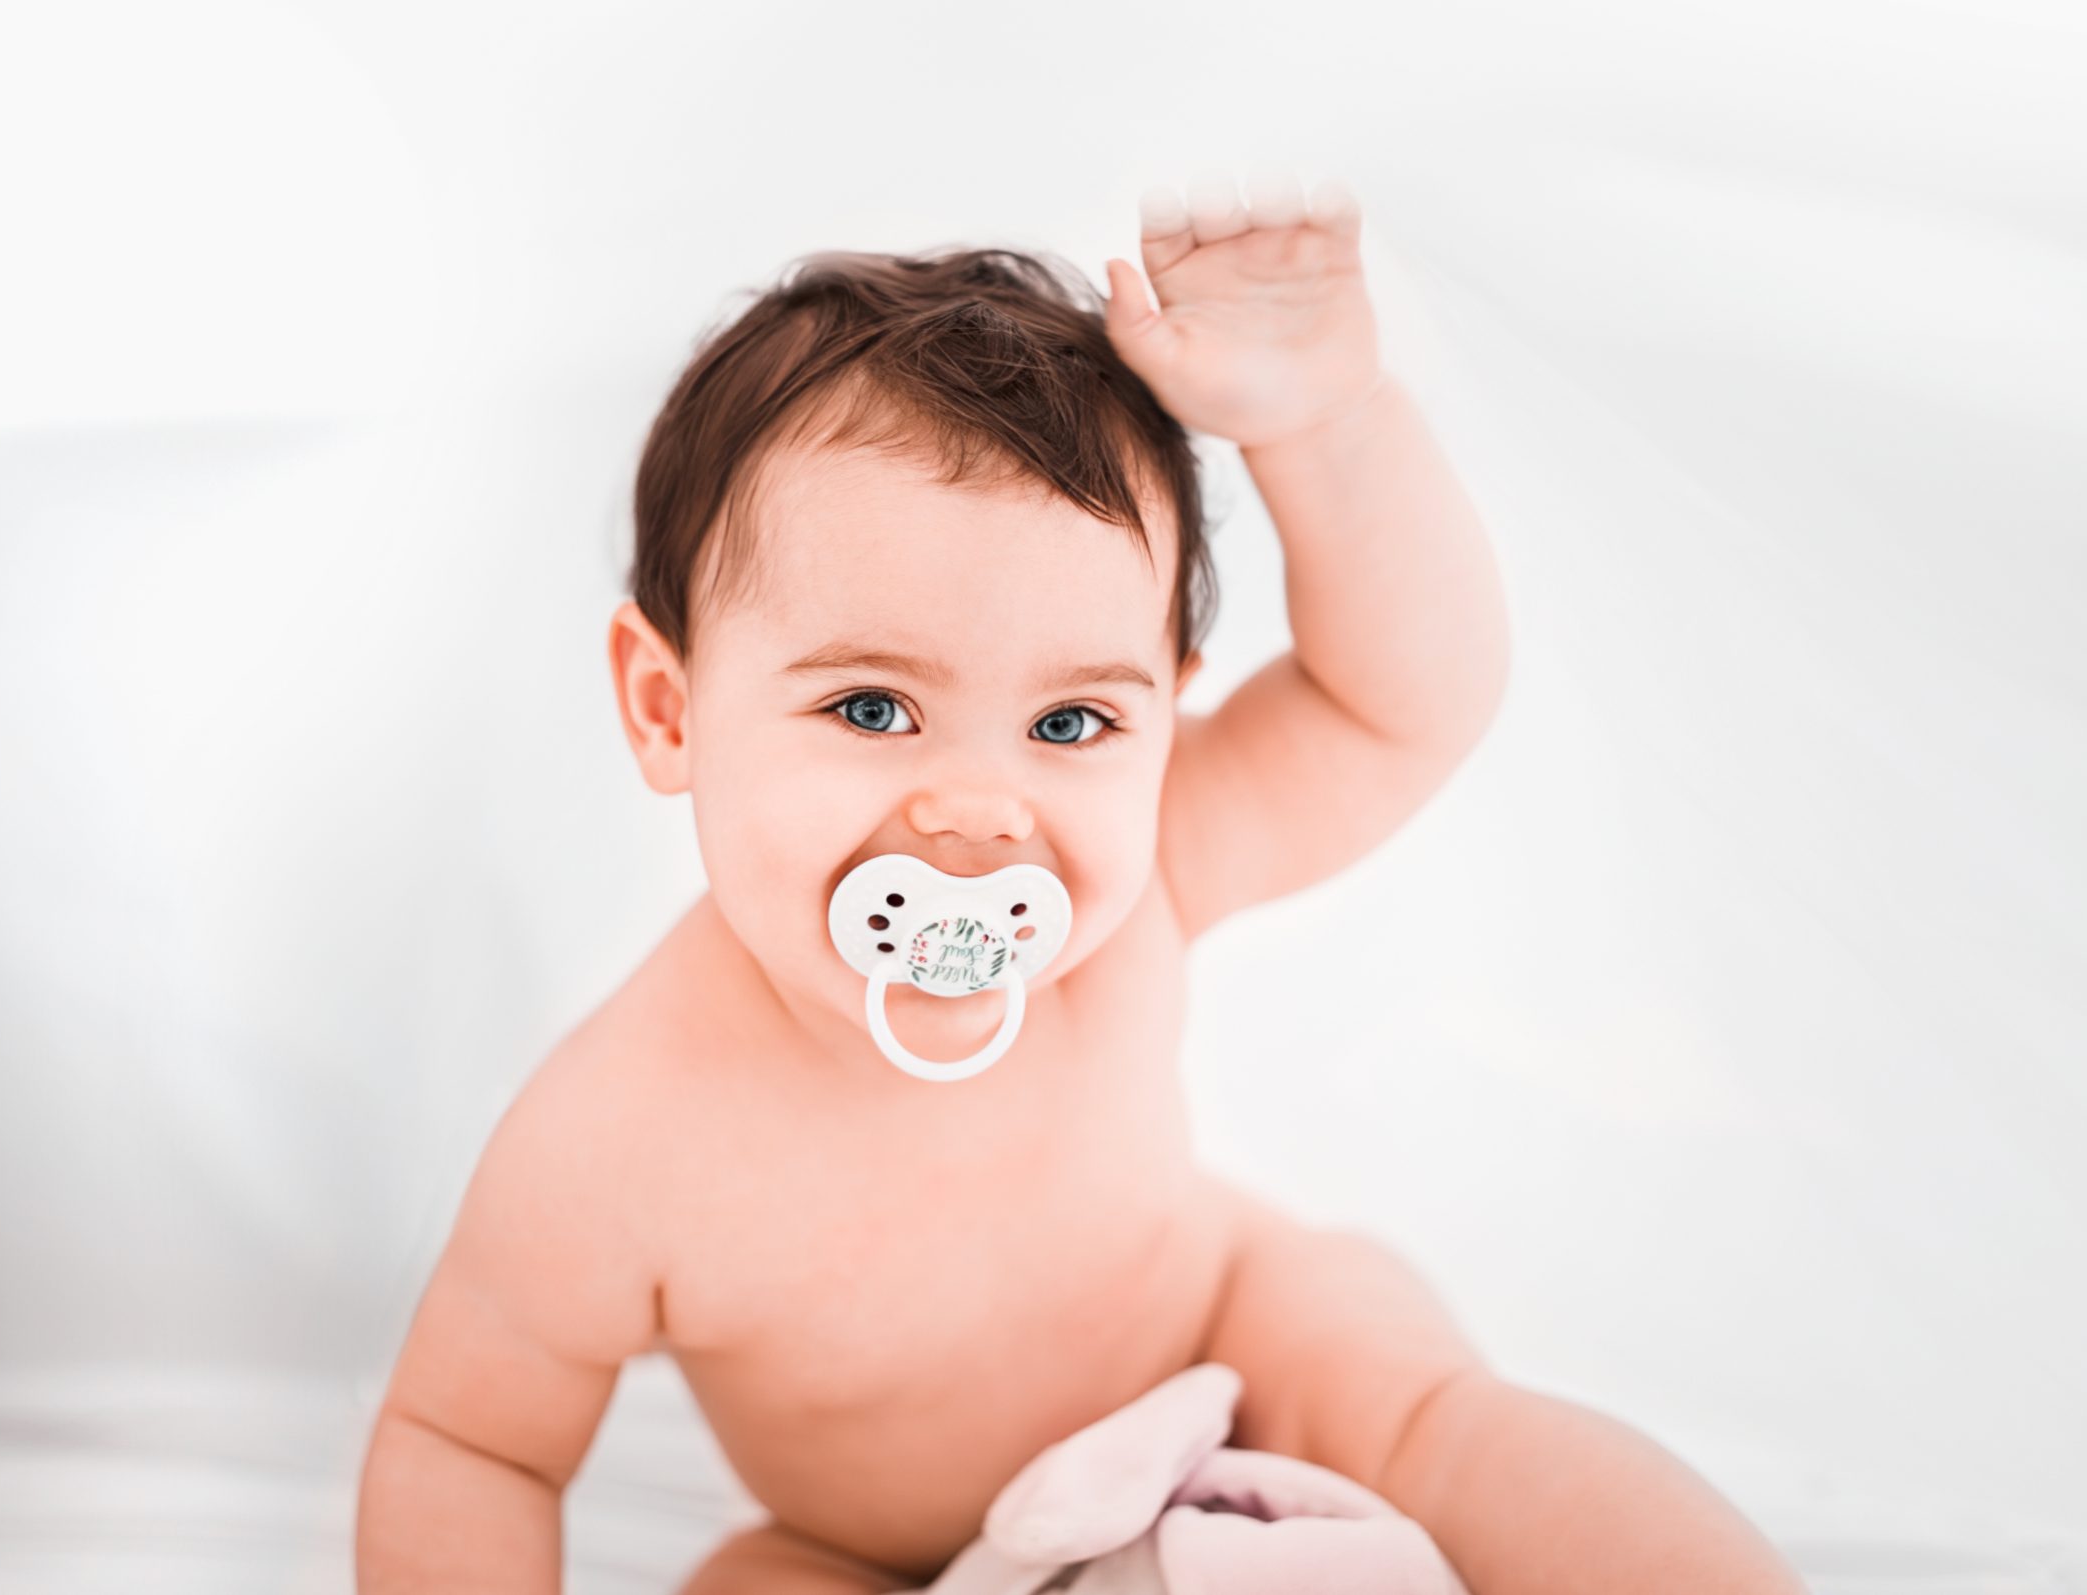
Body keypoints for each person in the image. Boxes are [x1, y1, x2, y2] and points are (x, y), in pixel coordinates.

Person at [355, 170, 1806, 1594]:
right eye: (870, 708)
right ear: (670, 712)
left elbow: (1403, 700)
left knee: (1452, 1437)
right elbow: (473, 1445)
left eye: (1070, 726)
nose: (983, 821)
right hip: (874, 1547)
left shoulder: (1158, 862)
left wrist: (1325, 421)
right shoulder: (612, 1144)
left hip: (1235, 1349)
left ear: (1162, 724)